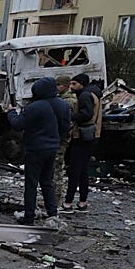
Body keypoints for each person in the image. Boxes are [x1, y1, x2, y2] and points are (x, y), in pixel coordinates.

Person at [6, 76, 71, 225]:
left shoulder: (35, 107)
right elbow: (66, 127)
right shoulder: (63, 105)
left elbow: (18, 125)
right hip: (53, 147)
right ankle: (52, 213)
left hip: (35, 148)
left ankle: (29, 217)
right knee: (47, 182)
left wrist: (11, 112)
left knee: (31, 184)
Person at [65, 72, 103, 212]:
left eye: (74, 84)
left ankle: (68, 202)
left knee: (75, 170)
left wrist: (71, 116)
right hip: (92, 136)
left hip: (83, 137)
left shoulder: (85, 96)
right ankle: (82, 201)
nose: (71, 87)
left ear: (82, 84)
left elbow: (86, 115)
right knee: (83, 171)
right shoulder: (95, 94)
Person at [54, 74, 77, 204]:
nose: (57, 87)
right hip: (61, 138)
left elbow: (67, 123)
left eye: (59, 85)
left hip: (61, 139)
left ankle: (56, 197)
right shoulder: (64, 99)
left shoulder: (68, 101)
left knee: (57, 167)